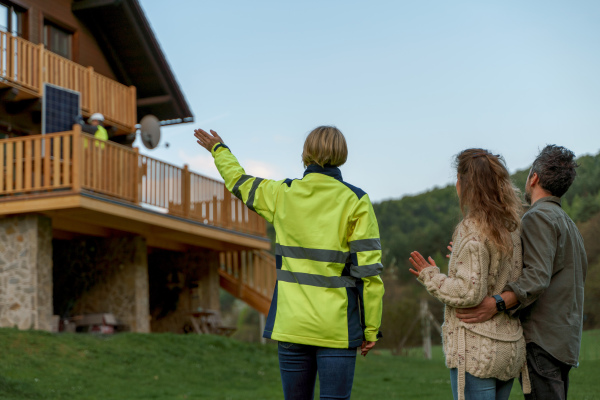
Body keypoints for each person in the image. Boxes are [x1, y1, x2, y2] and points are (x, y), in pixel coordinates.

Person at [194, 126, 384, 400]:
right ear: (342, 155)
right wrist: (371, 328)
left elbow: (239, 181)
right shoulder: (356, 201)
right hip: (336, 329)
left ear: (305, 153)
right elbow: (369, 275)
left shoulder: (282, 194)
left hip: (292, 326)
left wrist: (219, 150)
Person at [456, 145, 587, 400]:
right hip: (565, 341)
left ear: (534, 178)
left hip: (542, 341)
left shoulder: (537, 218)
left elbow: (536, 276)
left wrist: (495, 303)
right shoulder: (569, 224)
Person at [408, 149, 529, 400]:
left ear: (465, 185)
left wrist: (430, 276)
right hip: (509, 347)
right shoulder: (512, 228)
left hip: (477, 350)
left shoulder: (470, 229)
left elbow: (467, 292)